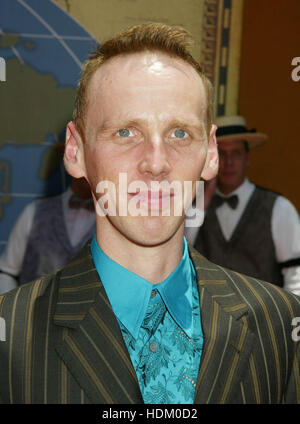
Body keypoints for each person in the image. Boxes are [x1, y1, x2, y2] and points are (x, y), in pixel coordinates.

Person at [0, 23, 299, 404]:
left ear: (209, 154)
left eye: (179, 134)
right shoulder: (12, 338)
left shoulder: (279, 325)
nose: (156, 163)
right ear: (75, 152)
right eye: (126, 132)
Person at [187, 115, 300, 296]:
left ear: (247, 158)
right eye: (222, 154)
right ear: (213, 159)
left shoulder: (278, 207)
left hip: (265, 319)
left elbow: (296, 275)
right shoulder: (196, 205)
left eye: (236, 153)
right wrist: (204, 196)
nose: (229, 162)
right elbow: (182, 253)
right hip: (210, 320)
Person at [0, 176, 95, 294]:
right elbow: (7, 272)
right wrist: (12, 309)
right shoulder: (34, 211)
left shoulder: (113, 221)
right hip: (33, 309)